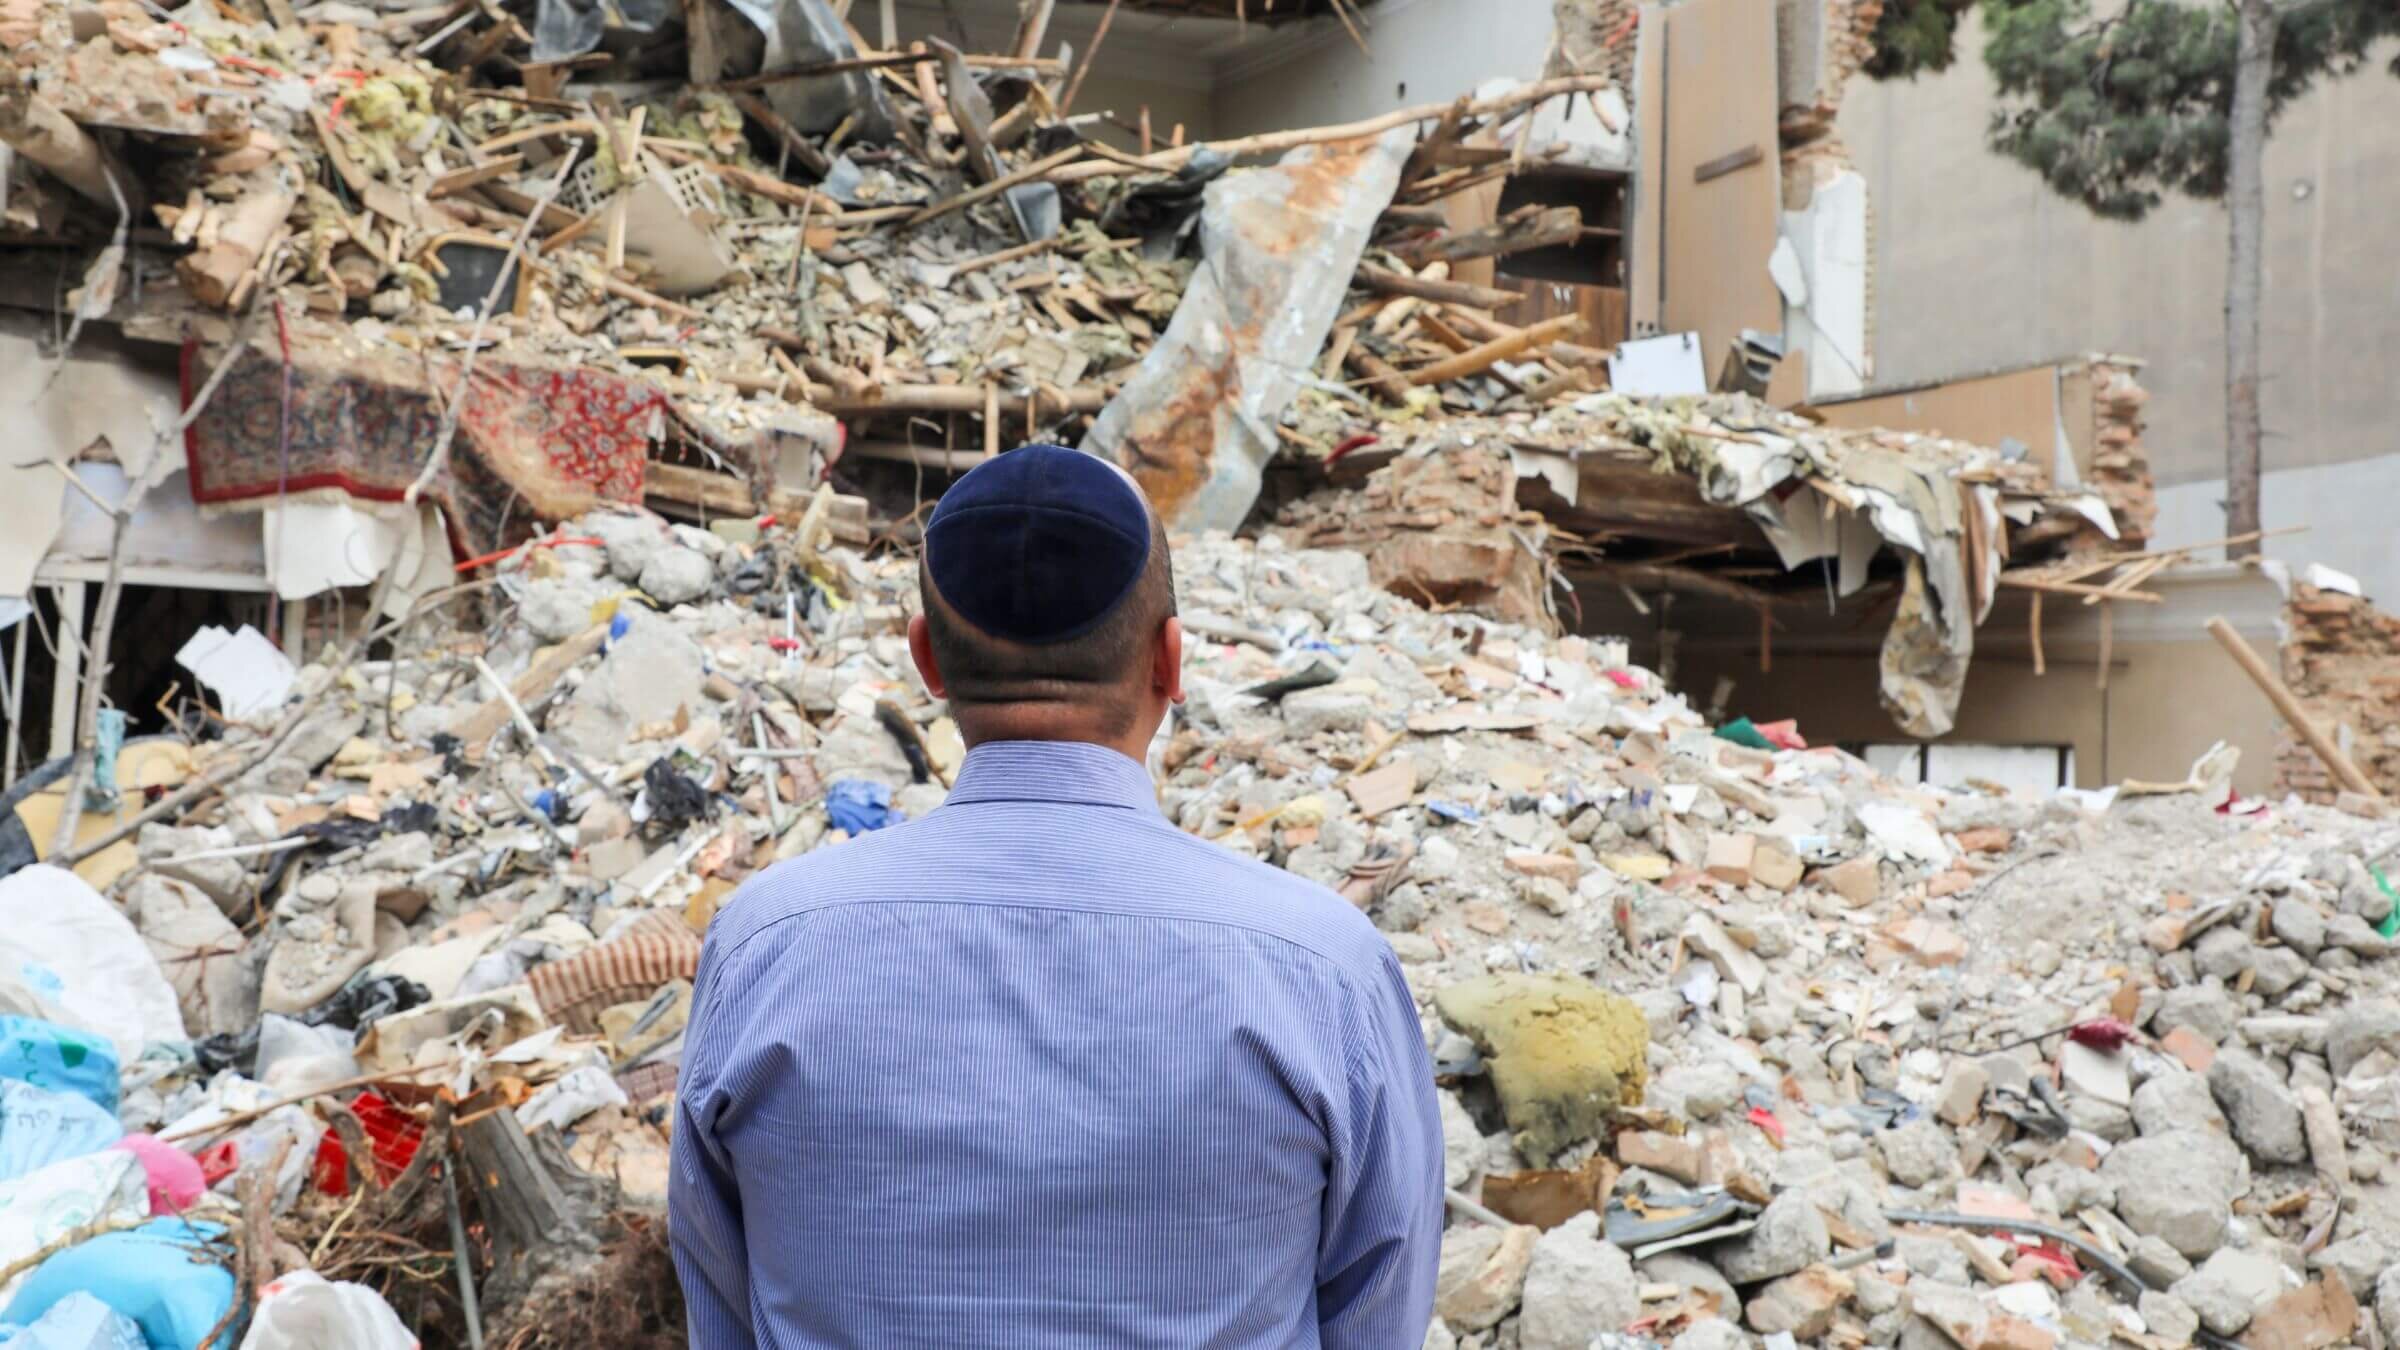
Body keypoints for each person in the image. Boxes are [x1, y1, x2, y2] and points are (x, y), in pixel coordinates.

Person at [670, 444, 1444, 1348]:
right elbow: (1378, 1311)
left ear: (927, 660)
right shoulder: (1323, 966)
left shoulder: (766, 943)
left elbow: (720, 1301)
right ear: (1170, 660)